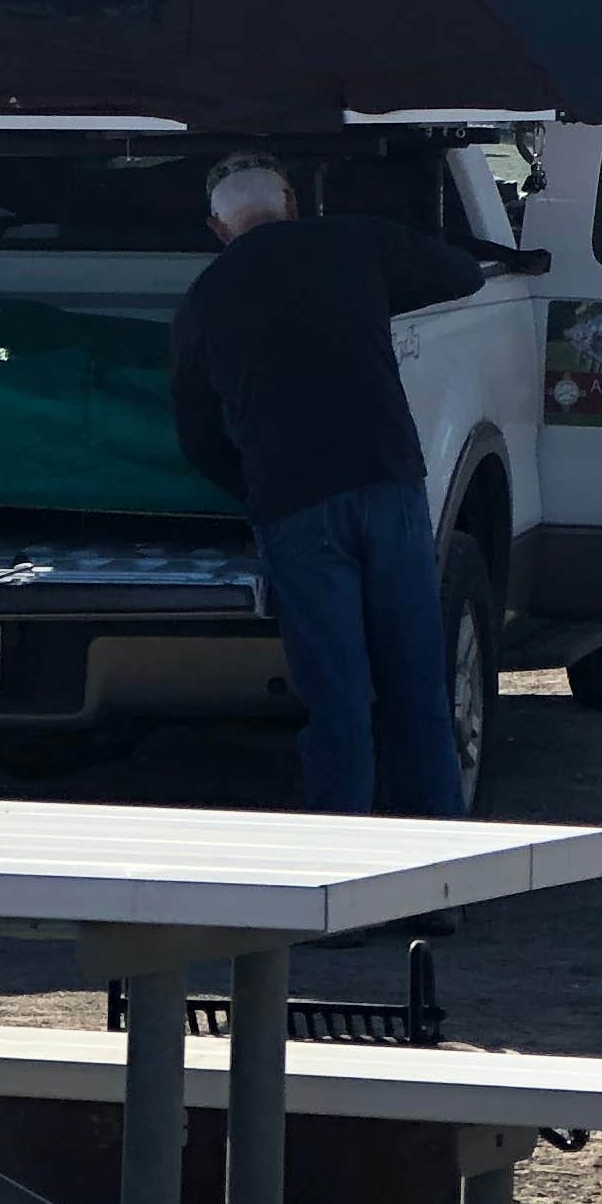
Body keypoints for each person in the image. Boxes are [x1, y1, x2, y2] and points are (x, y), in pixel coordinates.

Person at [169, 153, 484, 819]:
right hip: (387, 483)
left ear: (217, 227)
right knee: (417, 691)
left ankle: (341, 893)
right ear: (290, 200)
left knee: (339, 699)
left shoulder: (204, 298)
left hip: (295, 506)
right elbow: (461, 274)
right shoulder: (354, 242)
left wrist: (255, 489)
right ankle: (440, 881)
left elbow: (197, 437)